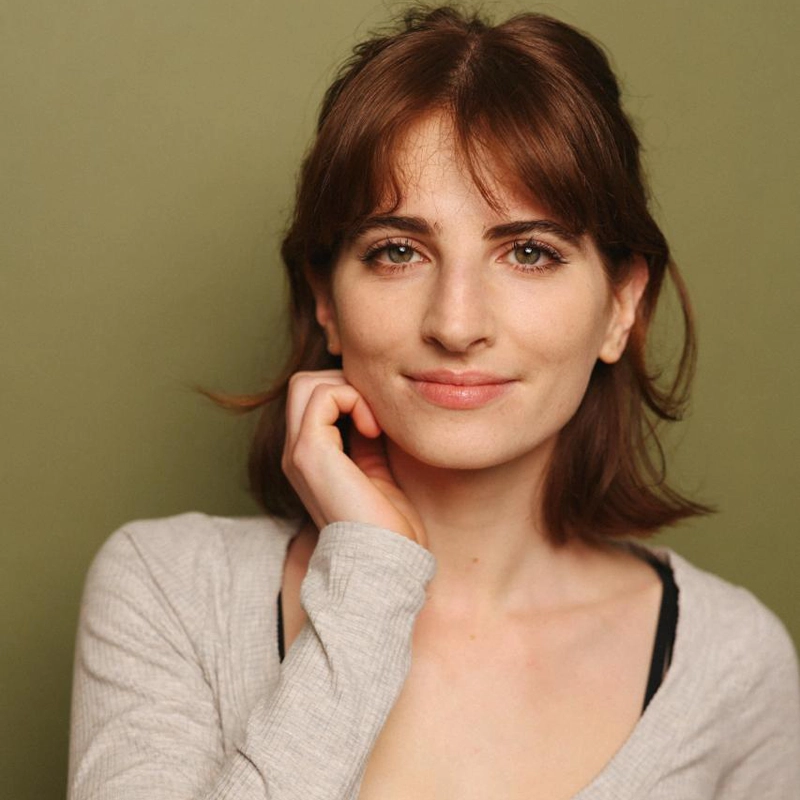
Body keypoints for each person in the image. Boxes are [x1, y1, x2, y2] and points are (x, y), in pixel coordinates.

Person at [68, 6, 800, 799]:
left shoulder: (728, 662)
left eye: (528, 252)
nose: (456, 324)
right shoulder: (170, 593)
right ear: (325, 298)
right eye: (397, 251)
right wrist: (373, 580)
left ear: (621, 305)